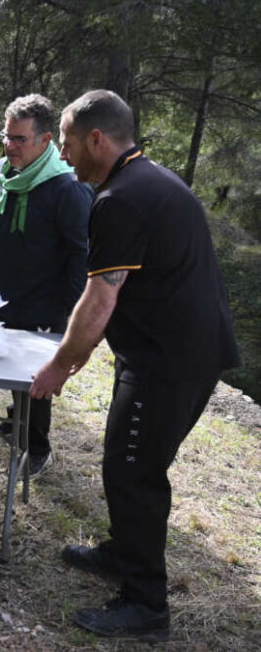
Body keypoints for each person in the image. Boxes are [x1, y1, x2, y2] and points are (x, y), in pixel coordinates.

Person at [29, 90, 238, 641]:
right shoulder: (149, 180)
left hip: (169, 361)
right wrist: (89, 352)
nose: (67, 156)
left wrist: (57, 366)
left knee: (134, 473)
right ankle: (123, 553)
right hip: (170, 349)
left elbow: (100, 299)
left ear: (97, 139)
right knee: (127, 459)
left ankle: (146, 605)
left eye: (70, 144)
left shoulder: (120, 198)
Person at [0, 94, 93, 477]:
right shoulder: (3, 170)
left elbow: (80, 255)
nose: (9, 146)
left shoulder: (67, 187)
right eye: (6, 137)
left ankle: (37, 447)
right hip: (4, 294)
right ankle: (17, 420)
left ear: (45, 141)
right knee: (11, 366)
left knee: (35, 378)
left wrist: (71, 316)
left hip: (45, 303)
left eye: (19, 139)